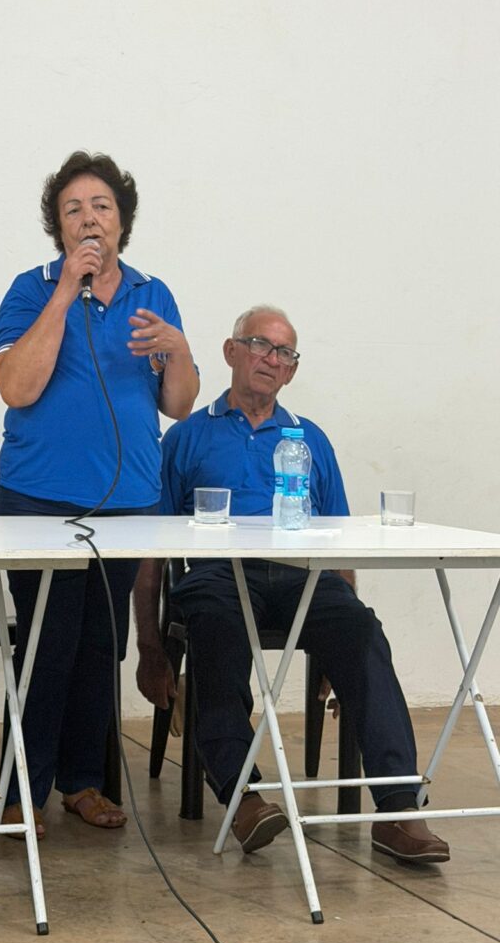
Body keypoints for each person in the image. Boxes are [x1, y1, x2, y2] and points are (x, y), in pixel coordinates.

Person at [133, 306, 450, 863]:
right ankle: (243, 797)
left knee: (360, 631)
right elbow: (150, 550)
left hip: (303, 575)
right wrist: (150, 646)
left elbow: (339, 540)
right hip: (218, 576)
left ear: (292, 370)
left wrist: (336, 629)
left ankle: (399, 808)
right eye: (260, 344)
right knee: (216, 629)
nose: (271, 359)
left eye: (284, 352)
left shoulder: (310, 440)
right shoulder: (186, 437)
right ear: (231, 352)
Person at [0, 151, 199, 836]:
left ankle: (82, 780)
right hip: (39, 500)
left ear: (122, 220)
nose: (89, 218)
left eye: (101, 206)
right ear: (58, 226)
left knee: (100, 646)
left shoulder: (152, 293)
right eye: (73, 208)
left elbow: (178, 404)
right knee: (48, 643)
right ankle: (23, 788)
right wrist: (64, 294)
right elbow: (16, 386)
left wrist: (179, 350)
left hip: (128, 503)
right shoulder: (31, 289)